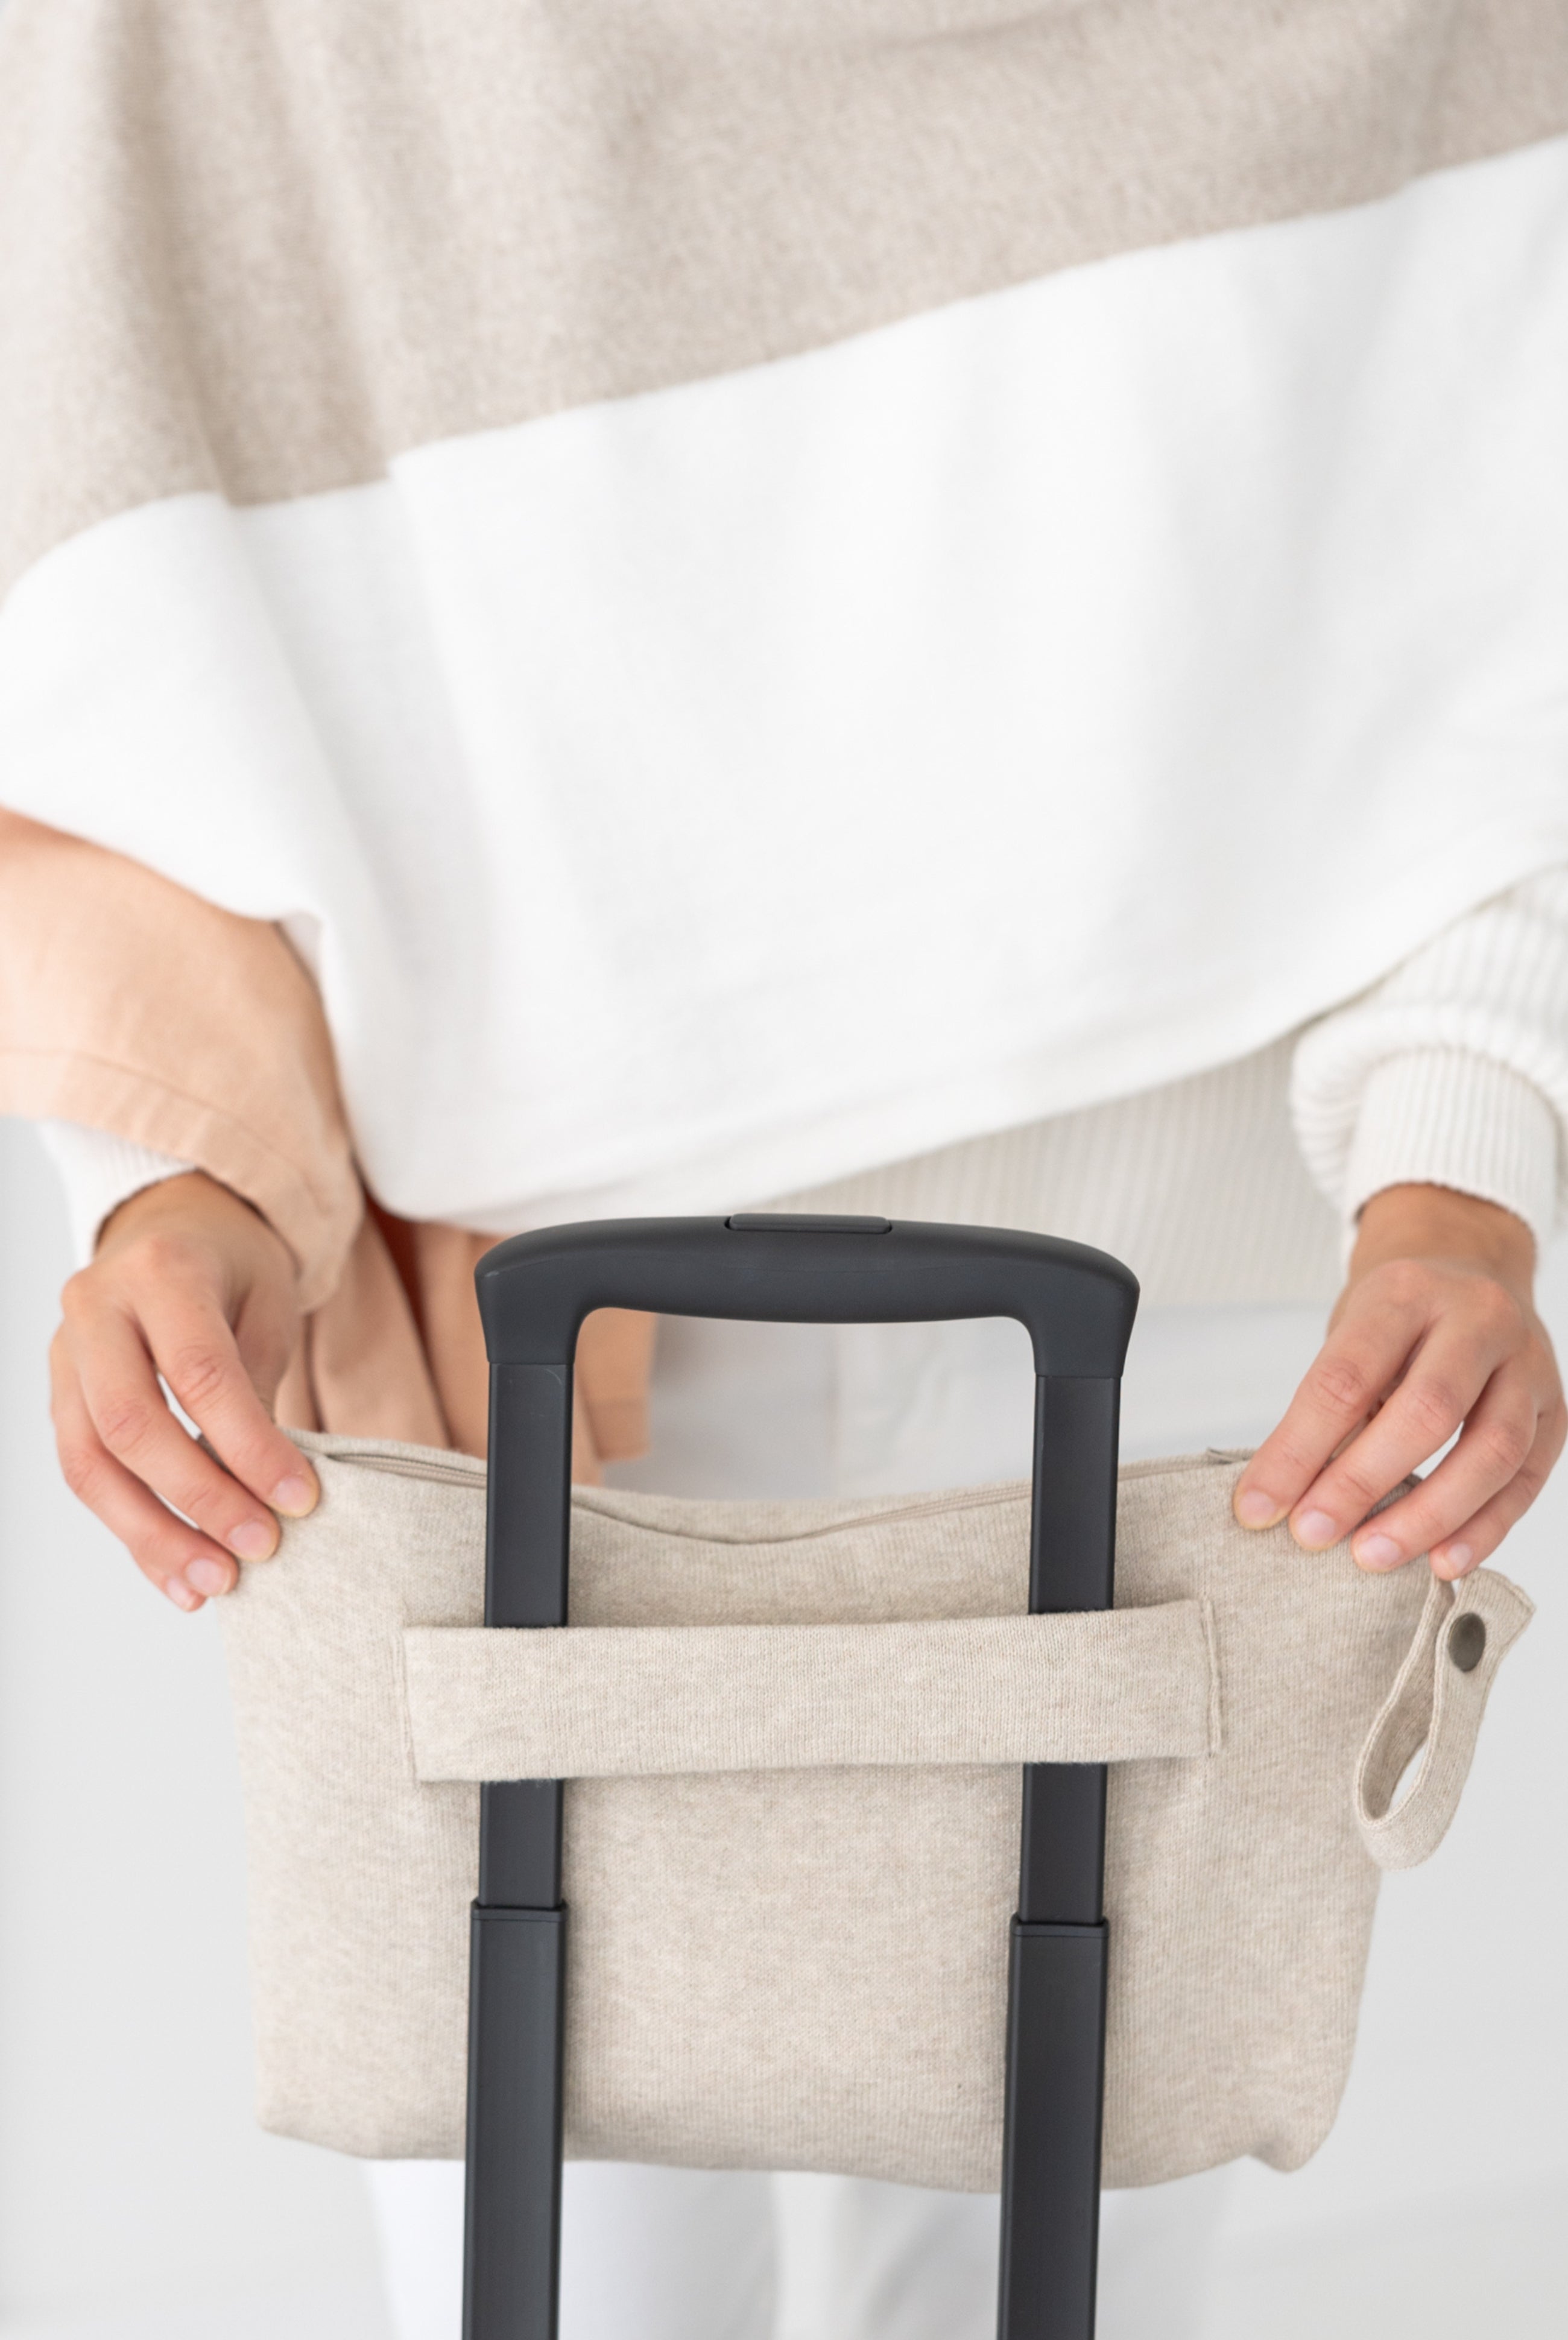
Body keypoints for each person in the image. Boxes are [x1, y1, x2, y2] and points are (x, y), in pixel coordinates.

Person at [1, 6, 1566, 2336]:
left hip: (1205, 1368)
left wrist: (1462, 1157)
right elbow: (132, 576)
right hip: (535, 1382)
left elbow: (1488, 533)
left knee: (1066, 2276)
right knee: (550, 2294)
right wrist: (183, 1188)